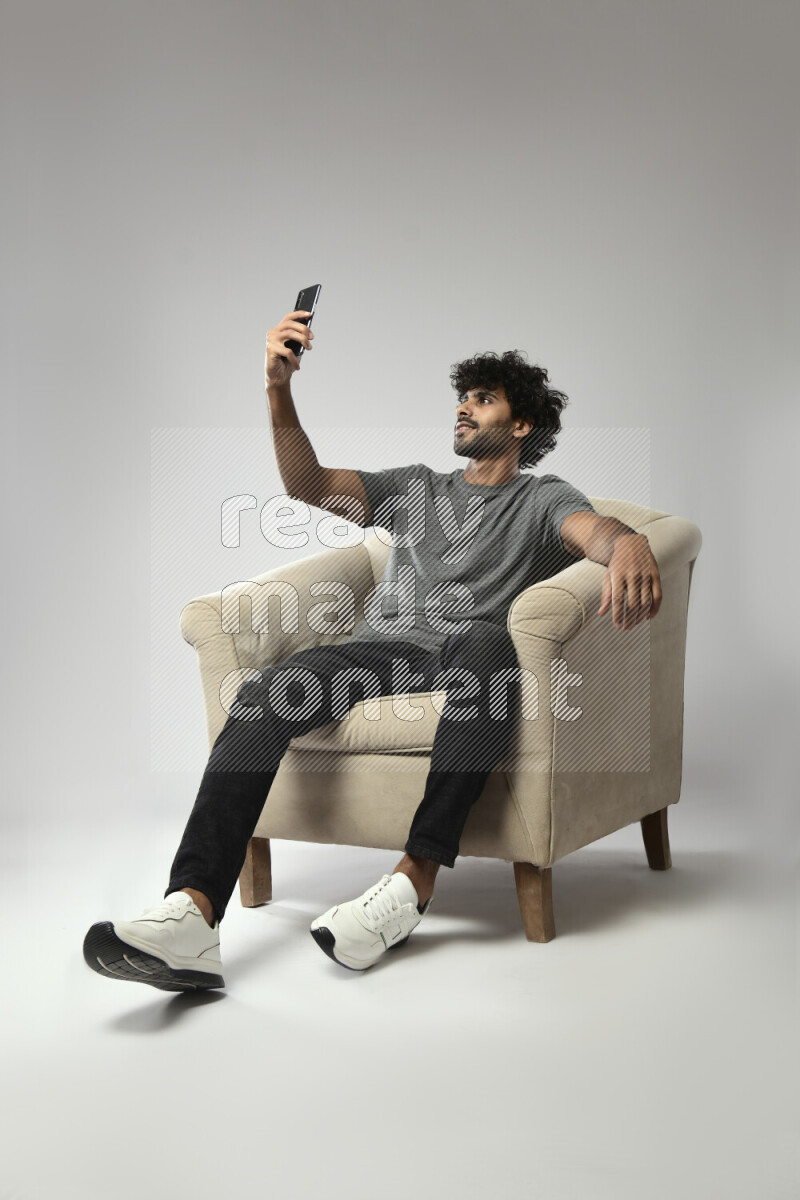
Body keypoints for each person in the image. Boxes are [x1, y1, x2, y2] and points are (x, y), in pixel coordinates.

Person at [83, 307, 662, 992]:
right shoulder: (414, 487)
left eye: (483, 399)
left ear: (522, 424)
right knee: (266, 691)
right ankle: (194, 915)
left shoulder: (542, 499)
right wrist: (279, 389)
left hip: (467, 657)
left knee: (489, 642)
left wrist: (626, 541)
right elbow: (308, 485)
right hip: (381, 651)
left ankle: (410, 885)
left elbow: (591, 531)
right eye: (462, 397)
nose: (463, 409)